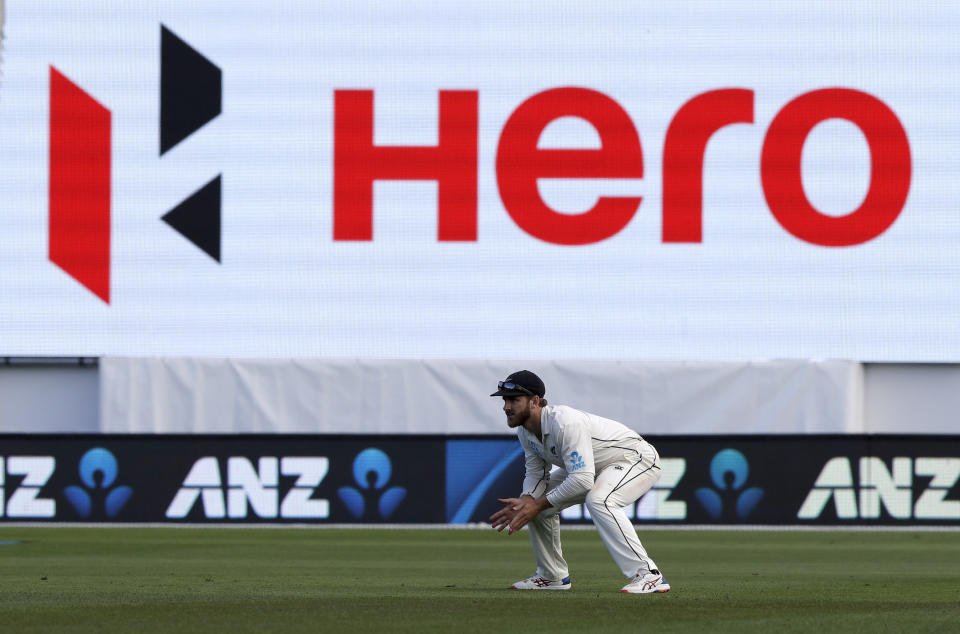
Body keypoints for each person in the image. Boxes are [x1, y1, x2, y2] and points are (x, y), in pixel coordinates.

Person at [489, 370, 670, 594]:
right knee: (534, 504)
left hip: (636, 458)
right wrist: (527, 500)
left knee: (599, 500)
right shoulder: (524, 432)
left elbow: (583, 480)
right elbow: (536, 474)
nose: (506, 407)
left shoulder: (565, 423)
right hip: (592, 468)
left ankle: (649, 575)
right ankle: (552, 576)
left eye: (514, 400)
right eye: (506, 400)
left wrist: (536, 504)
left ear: (535, 401)